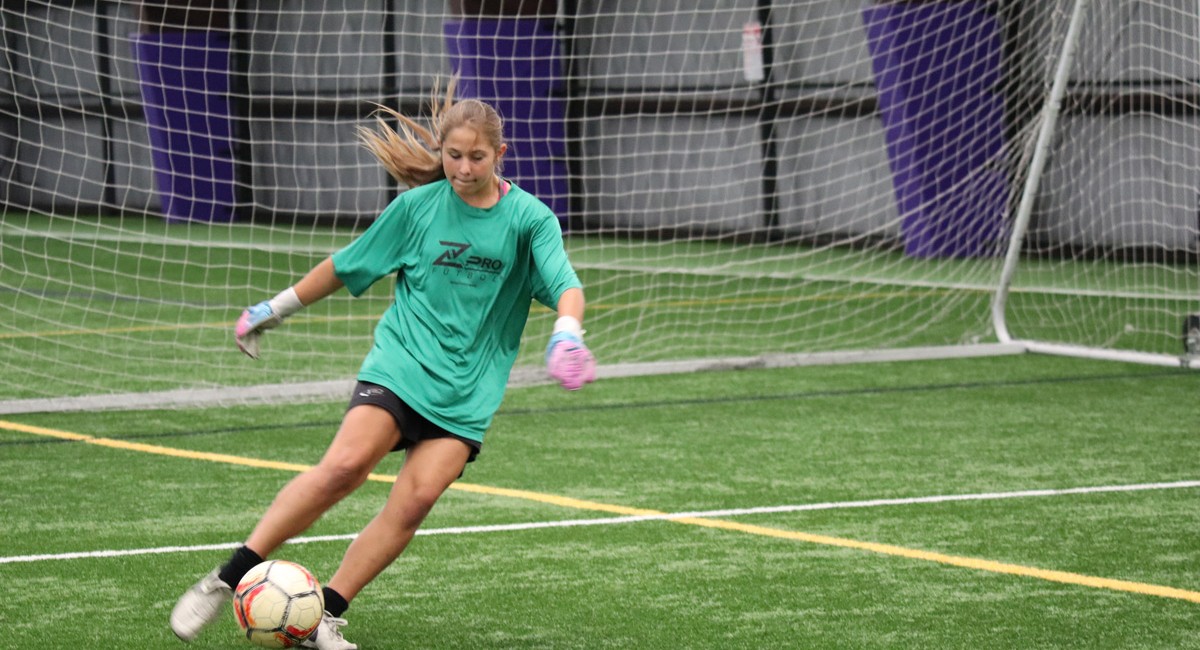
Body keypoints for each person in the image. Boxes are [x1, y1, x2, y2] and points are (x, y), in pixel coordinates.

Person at [169, 79, 596, 650]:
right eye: (452, 155)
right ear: (441, 151)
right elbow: (347, 265)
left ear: (500, 154)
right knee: (345, 467)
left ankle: (325, 616)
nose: (463, 168)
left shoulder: (529, 219)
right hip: (400, 366)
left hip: (467, 392)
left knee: (415, 502)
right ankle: (225, 579)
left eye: (476, 157)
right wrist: (274, 308)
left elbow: (565, 284)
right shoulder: (417, 208)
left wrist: (566, 335)